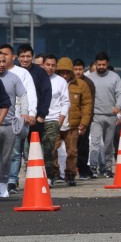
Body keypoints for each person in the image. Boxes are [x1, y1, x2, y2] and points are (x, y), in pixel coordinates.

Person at [0, 44, 37, 193]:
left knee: (14, 152)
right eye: (0, 55)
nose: (3, 58)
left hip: (16, 118)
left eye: (6, 55)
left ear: (13, 56)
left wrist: (30, 113)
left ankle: (11, 180)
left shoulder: (21, 73)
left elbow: (28, 94)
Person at [0, 50, 25, 198]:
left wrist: (25, 113)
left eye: (4, 61)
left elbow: (23, 96)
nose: (2, 64)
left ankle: (3, 184)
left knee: (5, 157)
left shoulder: (14, 78)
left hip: (8, 124)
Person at [53, 57, 92, 187]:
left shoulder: (81, 85)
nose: (65, 75)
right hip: (55, 122)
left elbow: (87, 104)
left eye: (67, 72)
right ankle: (55, 174)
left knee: (72, 152)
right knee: (52, 149)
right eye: (61, 72)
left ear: (71, 72)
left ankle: (70, 175)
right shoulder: (52, 82)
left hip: (73, 124)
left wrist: (84, 122)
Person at [86, 52, 121, 179]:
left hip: (111, 115)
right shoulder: (89, 78)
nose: (101, 66)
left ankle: (108, 167)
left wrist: (118, 106)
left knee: (109, 144)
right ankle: (93, 167)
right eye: (99, 64)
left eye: (103, 64)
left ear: (107, 64)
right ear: (95, 64)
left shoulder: (115, 77)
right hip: (96, 115)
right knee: (95, 143)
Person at [41, 55, 69, 185]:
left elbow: (65, 102)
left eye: (53, 65)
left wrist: (60, 120)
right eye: (48, 65)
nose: (50, 68)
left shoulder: (60, 81)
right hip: (37, 119)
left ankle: (48, 176)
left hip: (53, 119)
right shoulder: (36, 79)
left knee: (49, 149)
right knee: (33, 150)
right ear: (42, 65)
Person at [73, 59, 96, 180]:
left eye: (80, 69)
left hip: (84, 119)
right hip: (71, 119)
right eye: (75, 69)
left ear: (84, 70)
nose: (78, 72)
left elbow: (90, 104)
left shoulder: (89, 83)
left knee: (82, 146)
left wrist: (86, 121)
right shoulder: (69, 82)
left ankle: (83, 171)